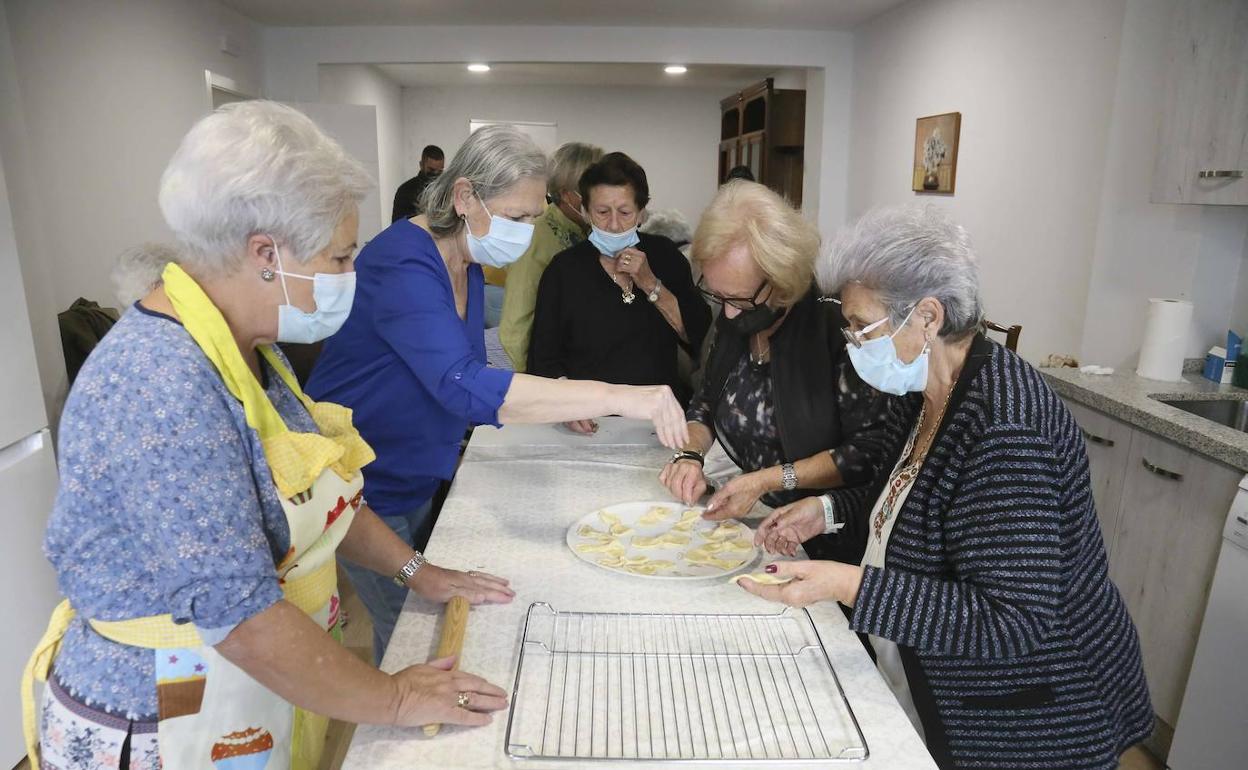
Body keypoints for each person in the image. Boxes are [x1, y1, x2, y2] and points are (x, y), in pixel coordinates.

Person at [25, 102, 513, 770]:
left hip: (244, 699)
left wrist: (418, 572)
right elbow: (243, 617)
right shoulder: (158, 382)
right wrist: (396, 699)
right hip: (161, 716)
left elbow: (322, 493)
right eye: (341, 257)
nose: (351, 277)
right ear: (265, 254)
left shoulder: (250, 348)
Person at [741, 205, 1153, 770]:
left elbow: (1012, 622)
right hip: (945, 675)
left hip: (1034, 710)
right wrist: (827, 509)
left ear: (928, 317)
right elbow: (905, 501)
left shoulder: (1006, 431)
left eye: (861, 325)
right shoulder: (921, 391)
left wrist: (848, 584)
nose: (852, 341)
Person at [306, 127, 689, 663]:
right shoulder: (402, 260)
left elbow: (470, 375)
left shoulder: (466, 262)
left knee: (429, 625)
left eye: (535, 217)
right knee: (409, 644)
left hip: (417, 470)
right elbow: (464, 383)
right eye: (516, 217)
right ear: (465, 197)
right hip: (366, 483)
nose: (527, 232)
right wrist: (620, 397)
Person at [659, 181, 911, 566]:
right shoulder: (735, 318)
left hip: (824, 535)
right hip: (754, 519)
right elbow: (706, 400)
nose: (727, 315)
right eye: (718, 296)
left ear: (784, 282)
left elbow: (866, 454)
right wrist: (690, 453)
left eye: (740, 300)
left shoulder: (837, 329)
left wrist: (767, 479)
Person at [528, 152, 712, 417]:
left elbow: (698, 335)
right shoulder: (564, 270)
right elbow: (543, 358)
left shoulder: (665, 257)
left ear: (641, 212)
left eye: (625, 212)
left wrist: (650, 283)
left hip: (656, 413)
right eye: (602, 212)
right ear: (585, 211)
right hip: (587, 414)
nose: (614, 225)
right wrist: (567, 407)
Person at [499, 141, 603, 370]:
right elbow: (517, 320)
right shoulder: (537, 237)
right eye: (591, 190)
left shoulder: (590, 232)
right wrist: (527, 381)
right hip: (549, 365)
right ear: (567, 194)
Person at [391, 144, 444, 222]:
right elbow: (398, 225)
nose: (435, 174)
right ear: (421, 165)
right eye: (431, 170)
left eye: (440, 171)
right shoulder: (405, 190)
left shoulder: (445, 190)